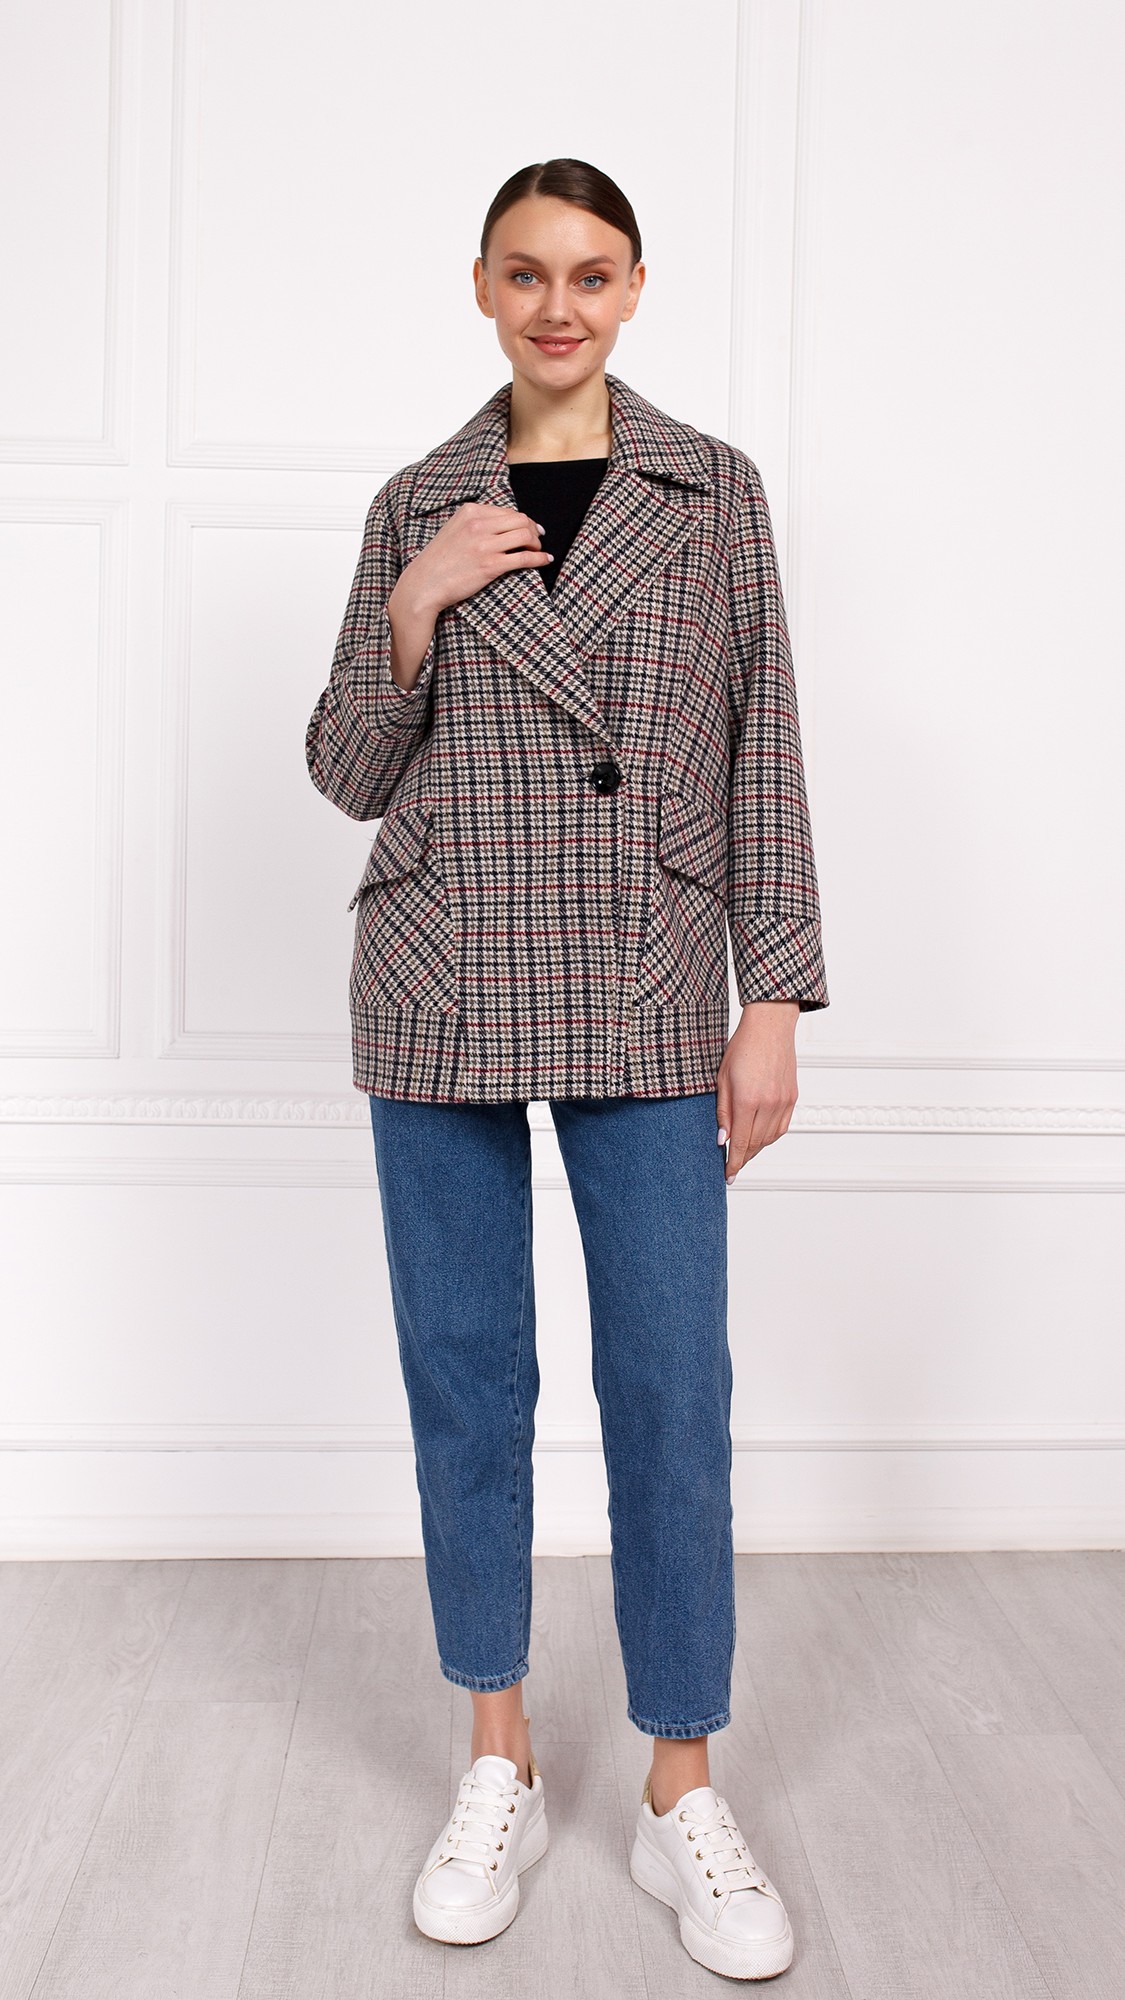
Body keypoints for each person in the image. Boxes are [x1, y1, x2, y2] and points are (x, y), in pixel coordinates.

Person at [305, 157, 828, 1983]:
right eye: (524, 274)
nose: (556, 306)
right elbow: (346, 771)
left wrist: (774, 996)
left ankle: (682, 1786)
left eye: (589, 274)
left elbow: (762, 744)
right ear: (478, 287)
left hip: (649, 972)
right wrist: (414, 610)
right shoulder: (416, 501)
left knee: (670, 1383)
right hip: (440, 969)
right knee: (468, 1381)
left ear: (633, 289)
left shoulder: (712, 489)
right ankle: (498, 1756)